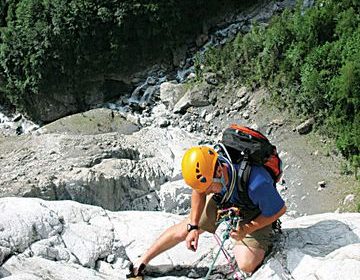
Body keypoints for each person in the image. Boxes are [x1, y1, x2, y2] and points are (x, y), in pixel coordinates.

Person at [127, 146, 286, 279]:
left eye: (209, 188)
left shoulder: (256, 183)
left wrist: (247, 228)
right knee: (186, 227)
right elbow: (199, 191)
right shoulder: (210, 171)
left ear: (219, 171)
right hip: (227, 199)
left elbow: (280, 209)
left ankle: (268, 233)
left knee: (246, 263)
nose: (206, 192)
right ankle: (143, 259)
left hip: (254, 208)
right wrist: (194, 227)